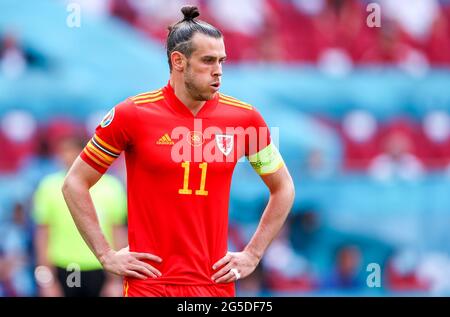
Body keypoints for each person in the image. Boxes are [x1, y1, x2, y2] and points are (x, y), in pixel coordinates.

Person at [62, 5, 295, 297]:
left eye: (221, 61)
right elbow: (74, 182)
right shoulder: (132, 115)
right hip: (148, 284)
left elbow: (283, 186)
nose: (218, 71)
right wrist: (106, 254)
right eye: (208, 61)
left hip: (215, 285)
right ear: (178, 61)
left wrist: (253, 253)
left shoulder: (244, 120)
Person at [33, 136, 127, 297]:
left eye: (70, 151)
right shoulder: (48, 187)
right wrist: (46, 280)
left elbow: (118, 233)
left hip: (102, 267)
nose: (64, 156)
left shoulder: (112, 187)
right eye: (62, 151)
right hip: (69, 267)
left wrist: (116, 280)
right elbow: (42, 236)